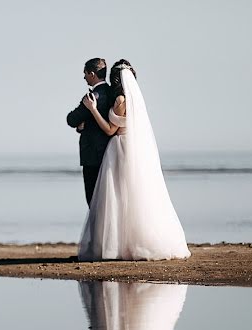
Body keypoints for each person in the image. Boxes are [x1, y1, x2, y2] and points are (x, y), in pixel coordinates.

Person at [77, 59, 191, 261]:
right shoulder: (135, 100)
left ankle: (117, 245)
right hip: (133, 147)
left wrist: (93, 110)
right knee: (133, 195)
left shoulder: (120, 101)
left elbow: (110, 130)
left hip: (120, 147)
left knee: (117, 198)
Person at [66, 58, 113, 206]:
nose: (84, 77)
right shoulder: (113, 94)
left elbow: (71, 119)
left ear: (92, 74)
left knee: (93, 201)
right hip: (112, 154)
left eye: (85, 73)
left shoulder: (93, 98)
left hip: (92, 156)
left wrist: (82, 124)